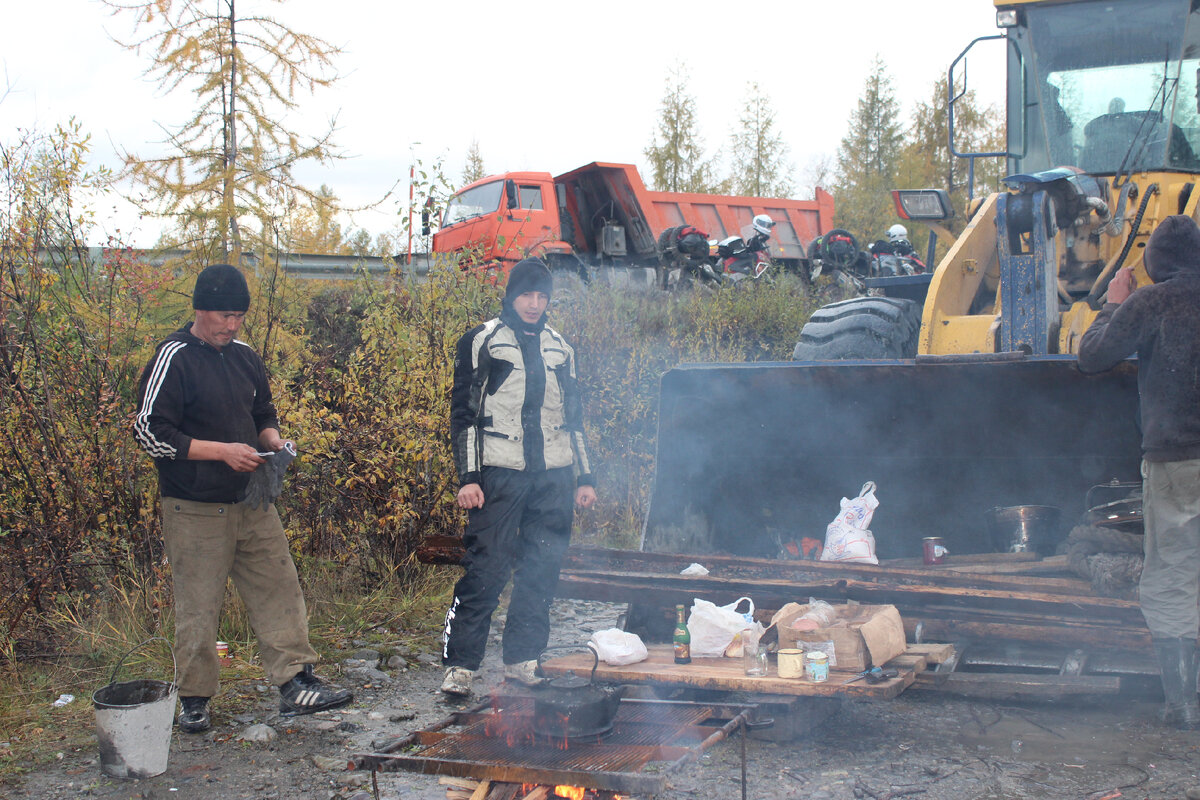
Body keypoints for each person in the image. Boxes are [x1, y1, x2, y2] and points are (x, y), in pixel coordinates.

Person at [133, 263, 352, 733]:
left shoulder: (245, 356)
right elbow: (148, 431)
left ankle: (296, 682)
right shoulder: (173, 356)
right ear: (199, 309)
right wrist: (221, 453)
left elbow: (262, 411)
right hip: (193, 506)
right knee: (198, 604)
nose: (230, 326)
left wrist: (271, 440)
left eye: (238, 316)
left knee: (280, 586)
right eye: (223, 315)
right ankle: (193, 699)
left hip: (252, 500)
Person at [440, 257, 598, 697]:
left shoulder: (561, 347)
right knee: (485, 569)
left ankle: (522, 660)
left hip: (553, 477)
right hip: (501, 474)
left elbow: (576, 417)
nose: (534, 303)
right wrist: (468, 477)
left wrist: (586, 477)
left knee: (541, 570)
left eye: (542, 295)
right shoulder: (483, 341)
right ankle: (460, 666)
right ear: (511, 295)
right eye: (526, 294)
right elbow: (464, 415)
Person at [1077, 215, 1200, 730]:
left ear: (1154, 262)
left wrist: (1114, 301)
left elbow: (1091, 357)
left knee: (1174, 578)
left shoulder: (1153, 302)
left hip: (1178, 463)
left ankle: (1184, 704)